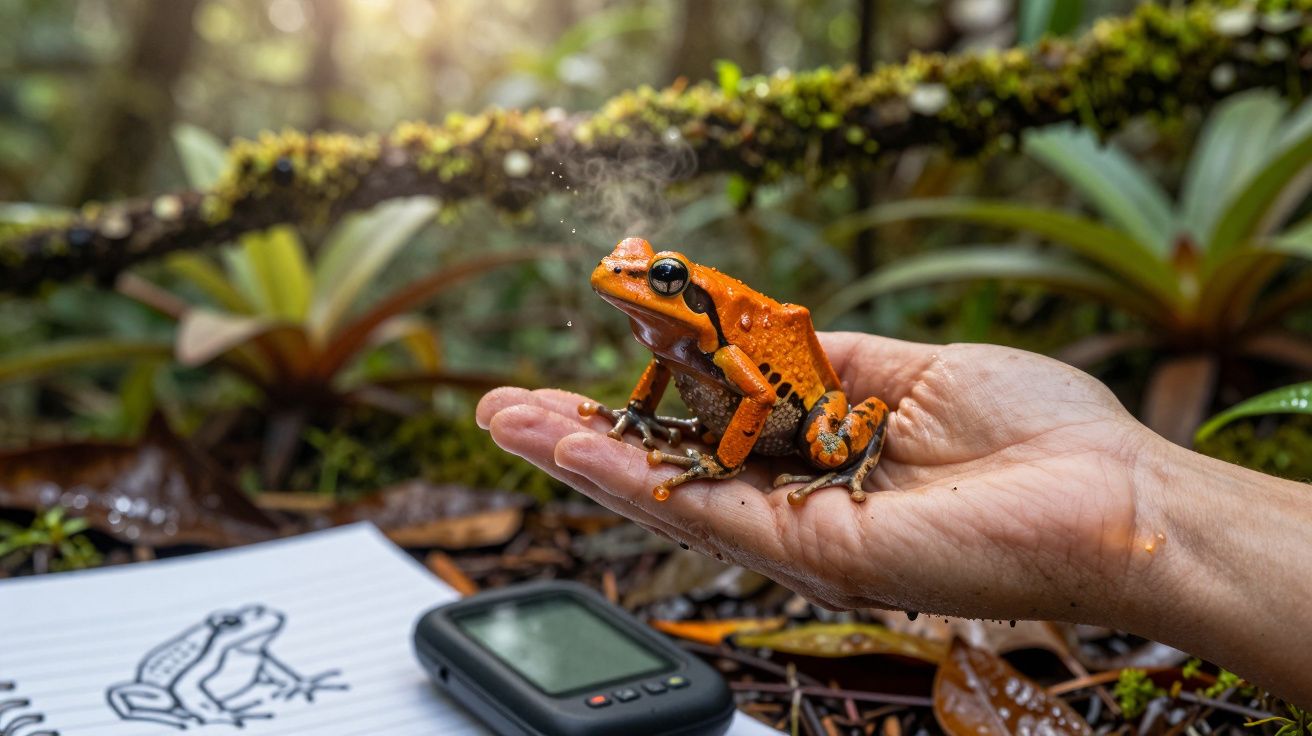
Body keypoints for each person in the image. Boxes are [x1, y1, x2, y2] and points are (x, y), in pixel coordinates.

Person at [476, 332, 1312, 705]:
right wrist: (635, 413)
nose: (632, 289)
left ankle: (850, 463)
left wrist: (723, 464)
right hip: (751, 417)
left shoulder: (721, 338)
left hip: (804, 422)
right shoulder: (674, 345)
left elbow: (764, 395)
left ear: (687, 291)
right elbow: (663, 370)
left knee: (837, 439)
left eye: (658, 278)